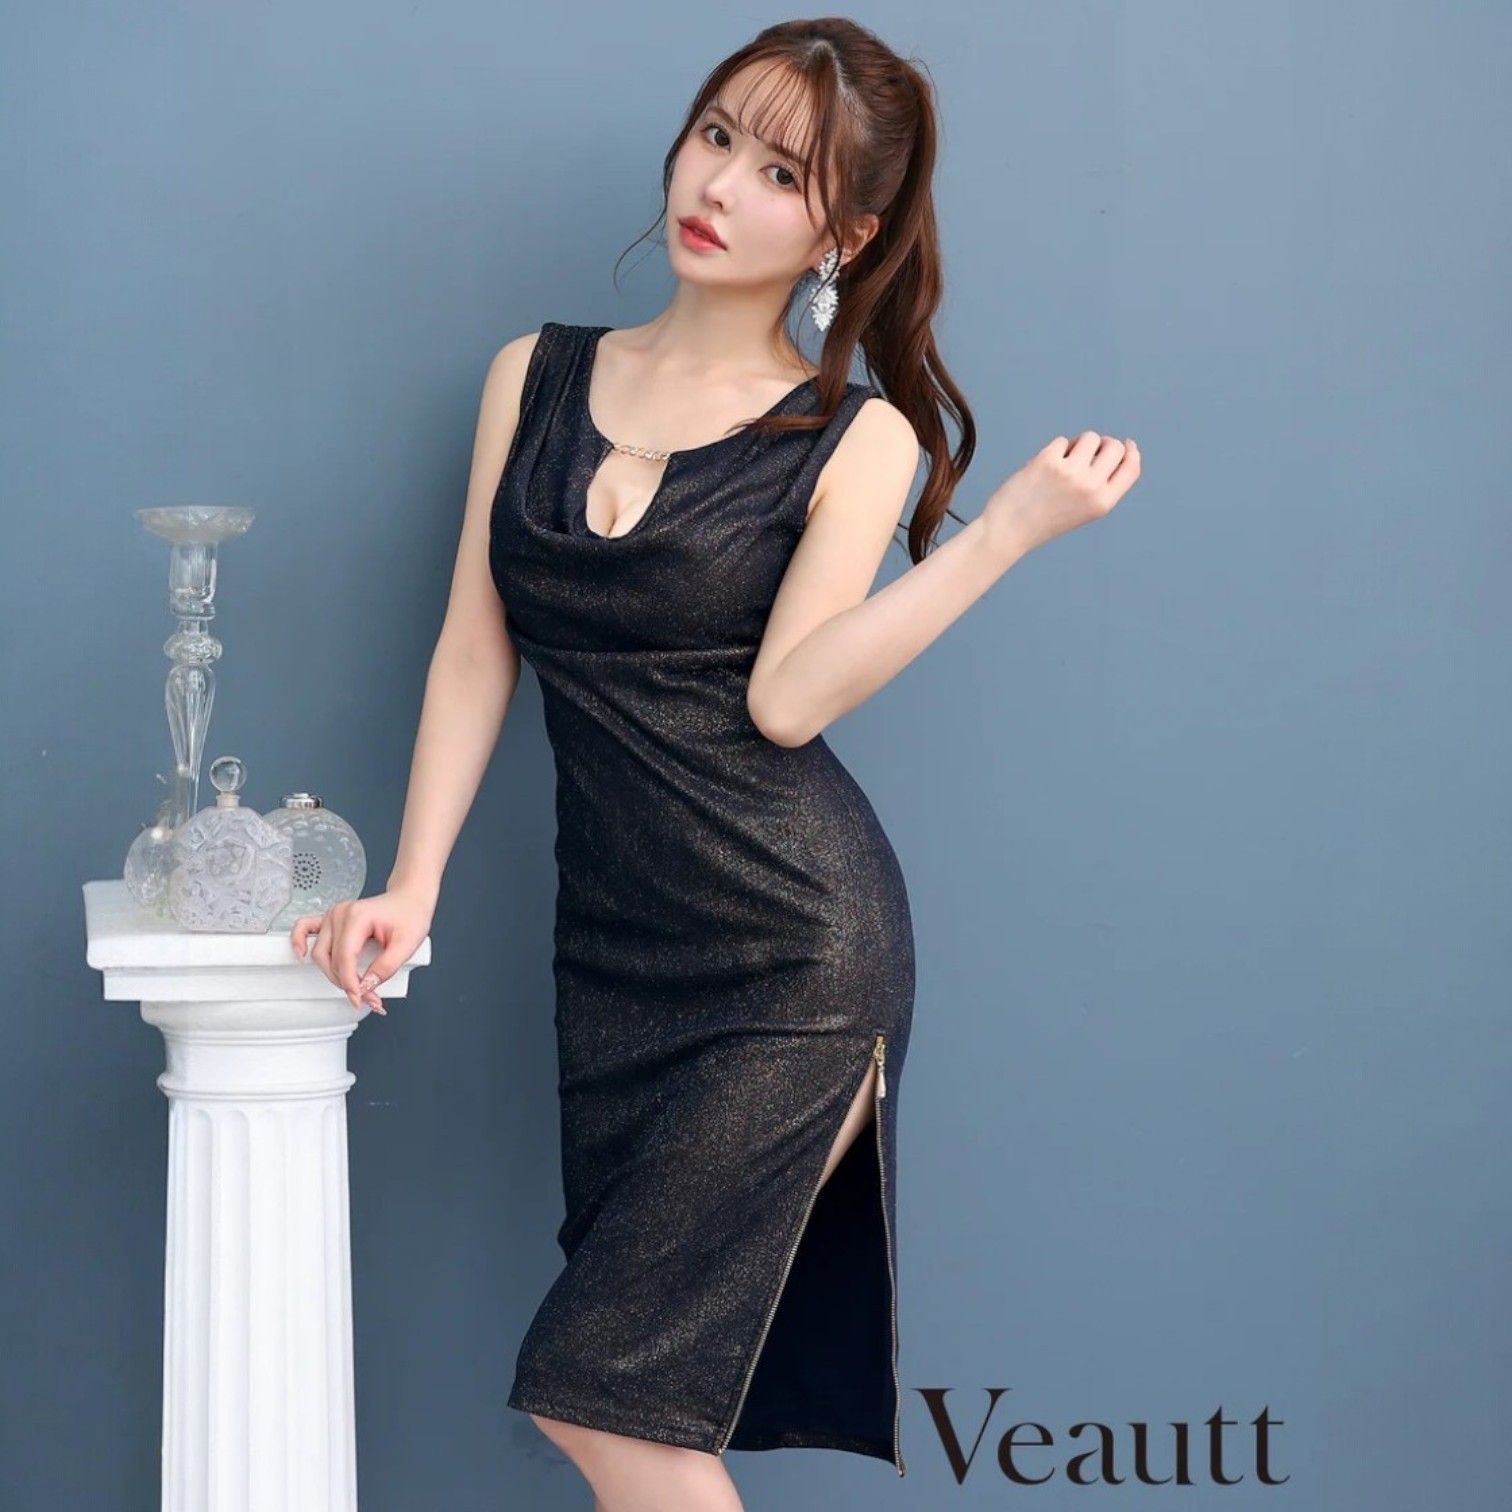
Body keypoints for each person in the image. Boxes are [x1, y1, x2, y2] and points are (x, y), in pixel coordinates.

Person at [290, 17, 1140, 1511]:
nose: (722, 186)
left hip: (794, 954)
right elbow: (476, 646)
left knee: (601, 1396)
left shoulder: (852, 437)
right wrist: (414, 882)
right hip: (617, 957)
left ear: (844, 234)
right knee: (629, 1403)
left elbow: (790, 703)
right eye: (717, 136)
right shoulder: (535, 375)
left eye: (781, 174)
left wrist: (1003, 533)